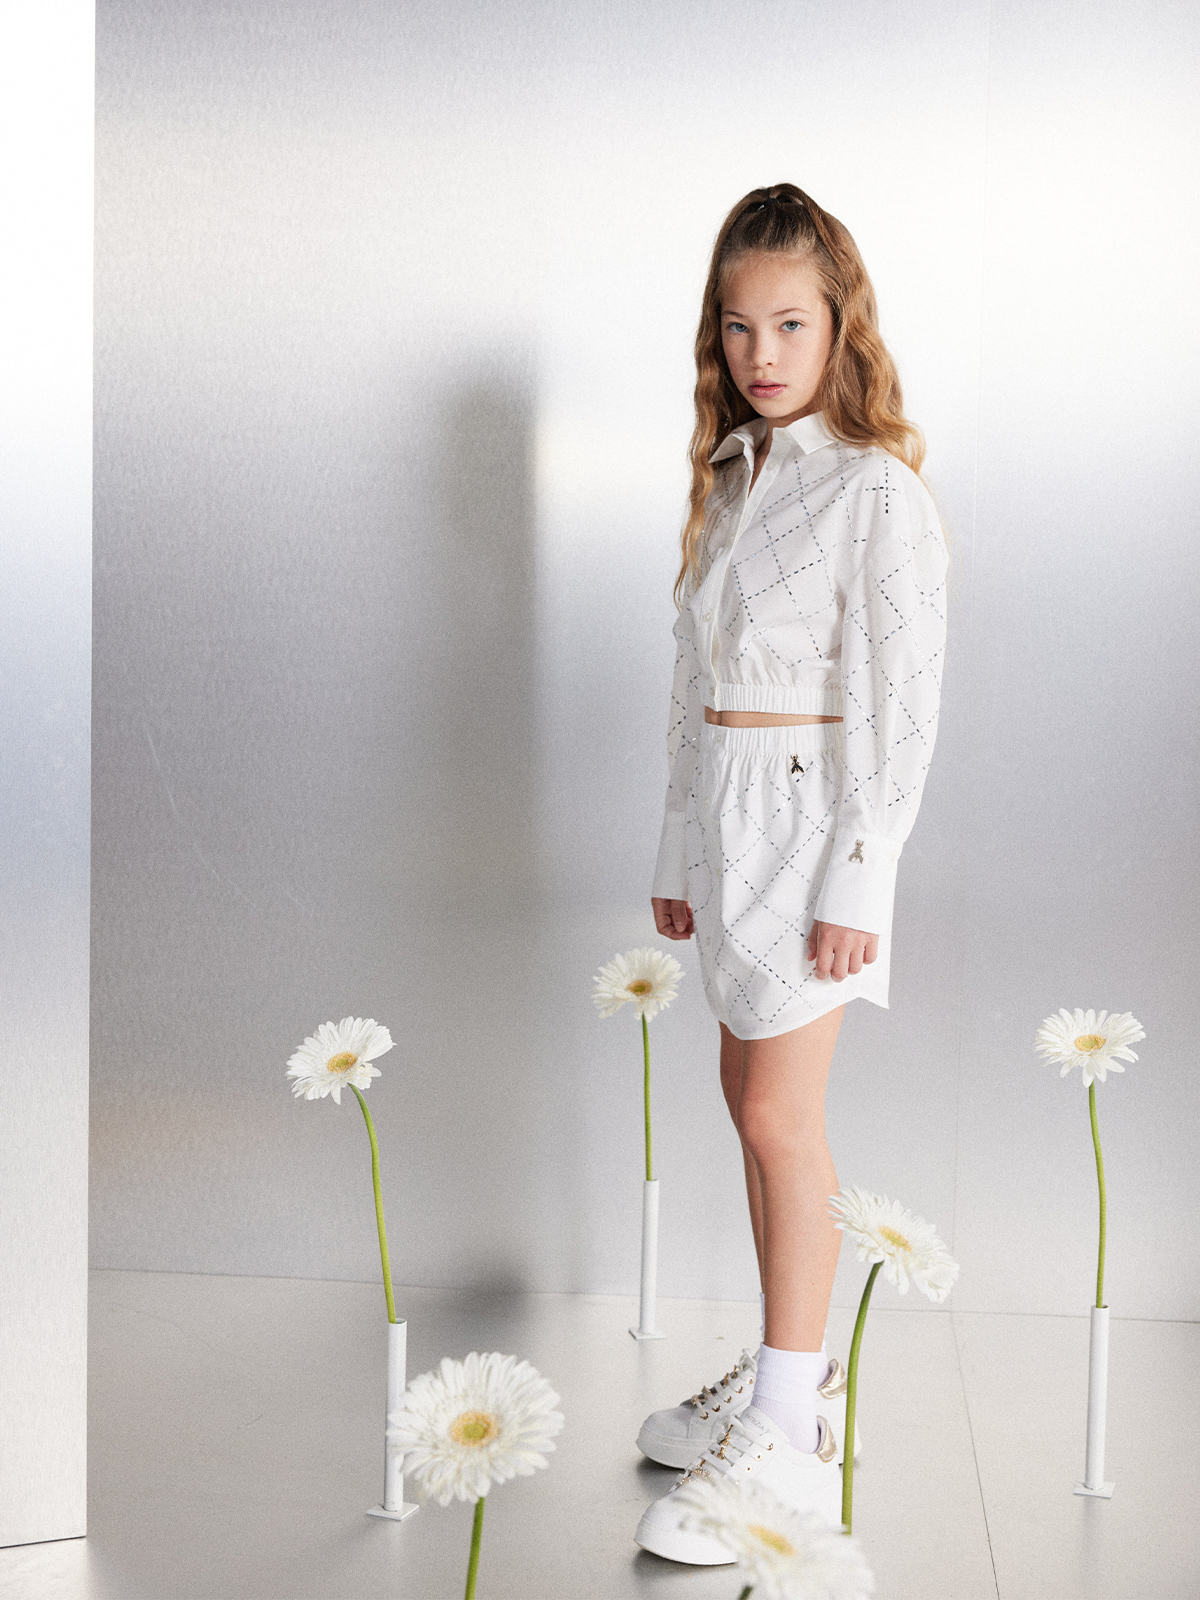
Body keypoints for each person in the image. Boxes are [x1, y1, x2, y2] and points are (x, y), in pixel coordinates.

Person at [633, 183, 949, 1564]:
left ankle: (791, 1439)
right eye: (738, 325)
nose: (763, 353)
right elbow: (691, 681)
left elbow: (902, 697)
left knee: (780, 1114)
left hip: (814, 826)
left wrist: (861, 876)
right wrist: (676, 841)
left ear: (841, 326)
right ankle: (790, 1375)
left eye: (791, 325)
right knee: (741, 1098)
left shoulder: (873, 491)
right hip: (728, 821)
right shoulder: (732, 476)